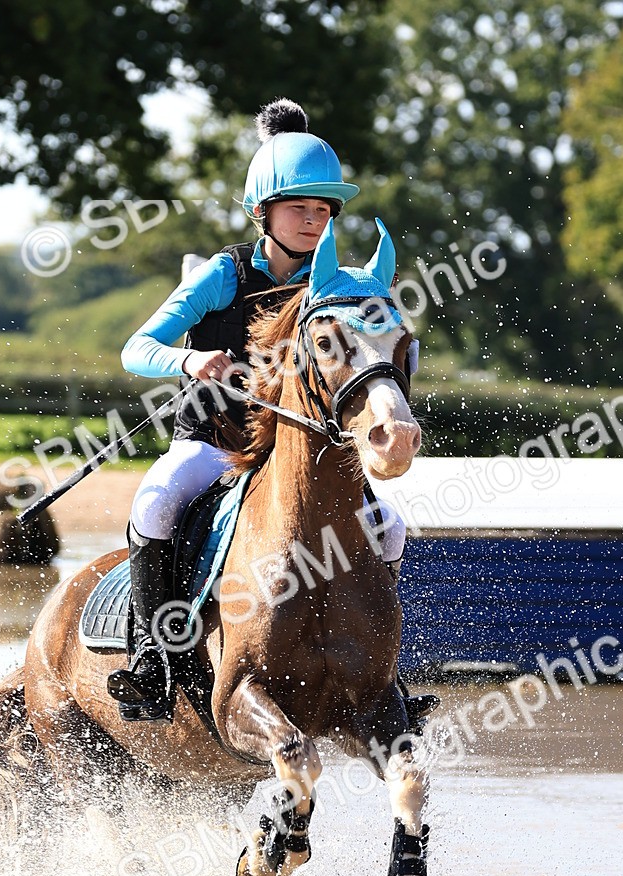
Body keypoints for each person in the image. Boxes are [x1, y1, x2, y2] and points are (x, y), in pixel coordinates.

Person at [108, 98, 437, 731]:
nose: (314, 221)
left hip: (303, 448)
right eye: (299, 208)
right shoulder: (222, 275)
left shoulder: (336, 285)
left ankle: (381, 676)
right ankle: (152, 660)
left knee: (389, 526)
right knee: (154, 502)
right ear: (263, 212)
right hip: (214, 442)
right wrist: (190, 360)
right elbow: (135, 349)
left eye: (324, 210)